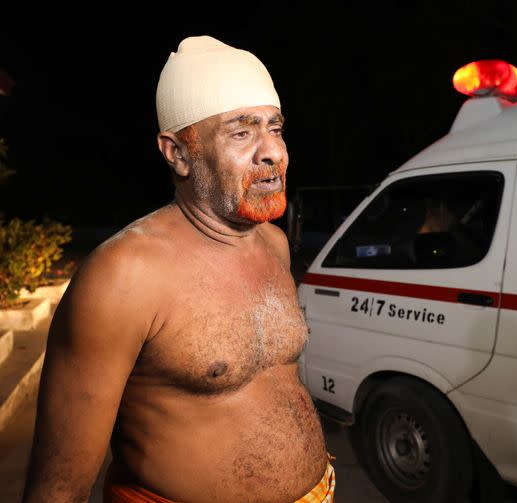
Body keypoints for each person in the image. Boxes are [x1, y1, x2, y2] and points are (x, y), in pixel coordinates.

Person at [22, 35, 333, 503]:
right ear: (177, 153)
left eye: (276, 128)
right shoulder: (123, 275)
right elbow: (59, 485)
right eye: (242, 132)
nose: (274, 152)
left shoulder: (274, 244)